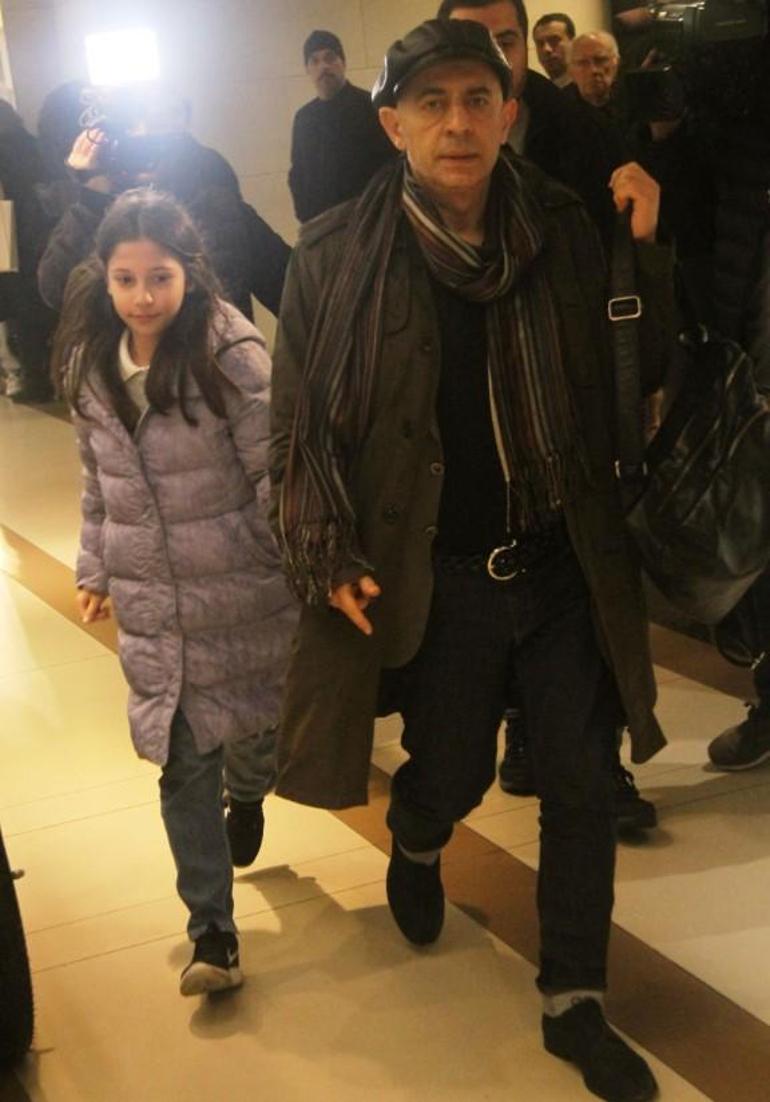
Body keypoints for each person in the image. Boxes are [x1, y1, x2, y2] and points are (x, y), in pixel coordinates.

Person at [271, 19, 672, 1102]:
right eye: (433, 102)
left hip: (560, 558)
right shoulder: (336, 255)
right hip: (439, 574)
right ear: (392, 124)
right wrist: (326, 550)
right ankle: (415, 837)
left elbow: (643, 371)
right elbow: (299, 429)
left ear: (509, 115)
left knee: (581, 781)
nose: (457, 122)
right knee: (448, 770)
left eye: (477, 100)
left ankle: (574, 996)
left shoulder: (566, 227)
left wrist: (648, 249)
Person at [54, 189, 297, 996]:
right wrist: (95, 568)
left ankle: (250, 795)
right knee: (183, 762)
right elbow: (98, 482)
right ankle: (212, 935)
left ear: (188, 272)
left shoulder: (230, 353)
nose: (143, 297)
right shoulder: (92, 363)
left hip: (240, 589)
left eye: (158, 277)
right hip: (157, 606)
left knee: (255, 730)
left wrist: (303, 559)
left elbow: (272, 467)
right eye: (125, 280)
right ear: (104, 279)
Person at [439, 0, 657, 829]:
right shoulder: (431, 141)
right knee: (502, 579)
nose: (494, 58)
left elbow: (625, 258)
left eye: (505, 41)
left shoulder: (578, 131)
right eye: (474, 42)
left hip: (572, 385)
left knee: (585, 587)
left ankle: (597, 766)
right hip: (472, 404)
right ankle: (523, 729)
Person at [38, 84, 290, 319]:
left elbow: (292, 292)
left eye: (148, 136)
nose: (138, 149)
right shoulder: (94, 207)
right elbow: (57, 291)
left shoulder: (213, 196)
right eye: (127, 137)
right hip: (123, 352)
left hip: (213, 349)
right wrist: (92, 200)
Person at [288, 29, 396, 223]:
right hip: (323, 227)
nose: (323, 66)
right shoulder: (304, 119)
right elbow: (298, 174)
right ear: (307, 69)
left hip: (372, 222)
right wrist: (307, 217)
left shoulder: (371, 107)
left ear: (343, 63)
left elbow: (392, 165)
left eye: (330, 58)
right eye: (314, 61)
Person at [567, 31, 622, 109]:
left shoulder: (634, 99)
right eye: (583, 63)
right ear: (571, 72)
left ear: (616, 64)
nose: (593, 70)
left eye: (600, 60)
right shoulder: (559, 108)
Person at [532, 12, 575, 88]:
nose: (546, 49)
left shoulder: (589, 90)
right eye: (540, 43)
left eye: (554, 41)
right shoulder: (537, 92)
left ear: (573, 43)